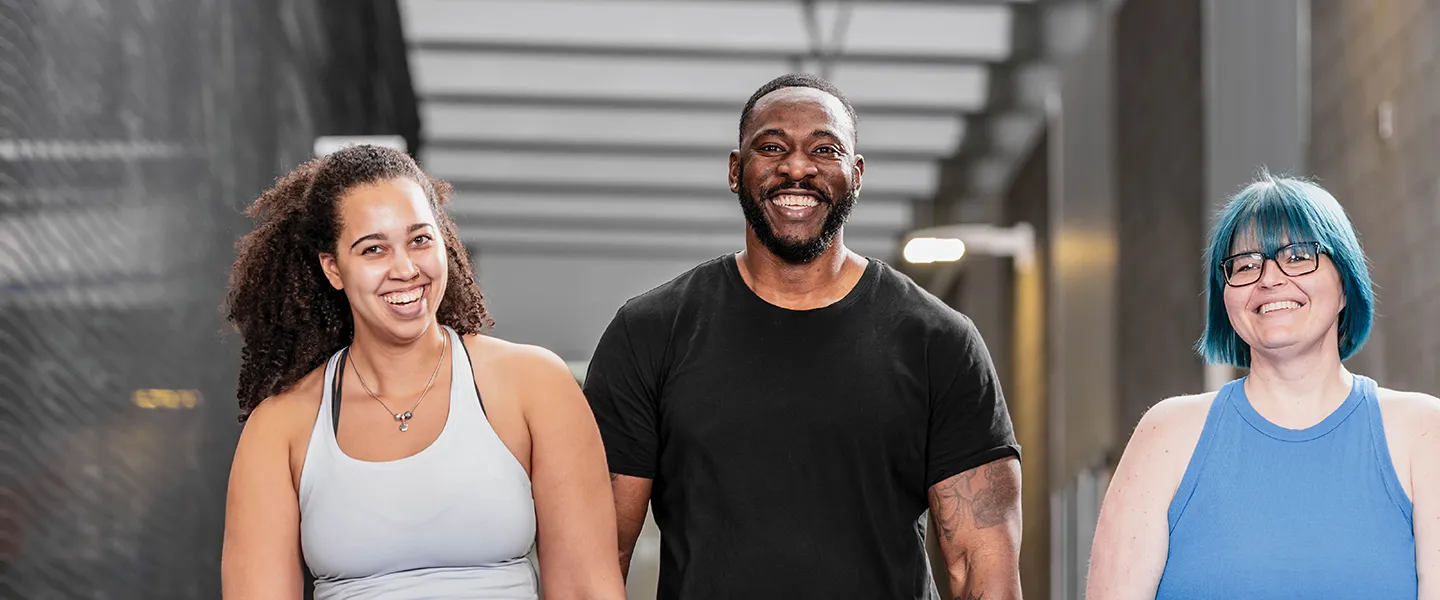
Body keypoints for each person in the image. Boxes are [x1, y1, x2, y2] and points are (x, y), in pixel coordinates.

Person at [583, 73, 1024, 600]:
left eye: (825, 149)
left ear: (856, 175)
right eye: (772, 147)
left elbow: (982, 569)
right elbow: (598, 555)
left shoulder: (939, 341)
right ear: (734, 170)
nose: (797, 167)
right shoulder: (649, 332)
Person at [219, 144, 626, 600]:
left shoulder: (534, 385)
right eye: (373, 249)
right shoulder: (281, 427)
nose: (405, 269)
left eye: (420, 239)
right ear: (333, 268)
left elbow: (586, 589)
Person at [1086, 173, 1439, 598]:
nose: (1269, 278)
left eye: (1297, 256)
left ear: (1345, 284)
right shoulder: (1166, 435)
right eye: (1247, 264)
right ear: (1226, 298)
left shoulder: (1424, 432)